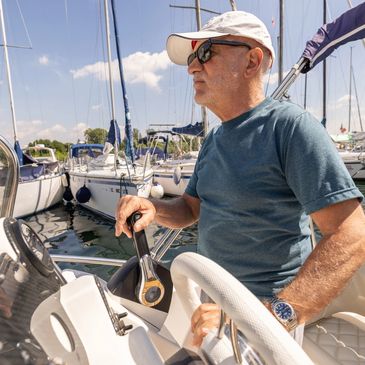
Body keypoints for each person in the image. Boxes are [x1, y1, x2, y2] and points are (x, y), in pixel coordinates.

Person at [115, 10, 365, 347]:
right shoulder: (214, 141)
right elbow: (191, 208)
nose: (192, 67)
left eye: (206, 53)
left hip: (264, 324)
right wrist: (153, 207)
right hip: (210, 309)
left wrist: (269, 317)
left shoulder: (290, 128)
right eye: (192, 57)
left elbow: (351, 235)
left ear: (251, 61)